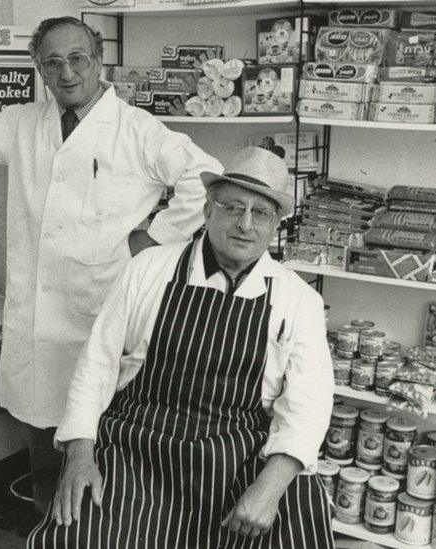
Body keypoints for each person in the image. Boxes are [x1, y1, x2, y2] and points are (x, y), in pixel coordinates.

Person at [0, 17, 221, 513]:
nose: (67, 72)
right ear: (39, 68)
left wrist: (154, 237)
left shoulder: (134, 127)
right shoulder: (26, 122)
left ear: (98, 60)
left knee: (101, 447)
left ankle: (100, 533)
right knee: (44, 445)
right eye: (52, 62)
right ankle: (47, 528)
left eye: (77, 58)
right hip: (39, 319)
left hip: (97, 309)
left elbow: (205, 175)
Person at [28, 146, 335, 548]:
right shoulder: (149, 269)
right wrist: (80, 457)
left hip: (234, 456)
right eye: (232, 208)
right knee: (78, 536)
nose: (245, 224)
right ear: (208, 211)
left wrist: (269, 490)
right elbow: (96, 365)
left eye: (260, 213)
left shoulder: (298, 300)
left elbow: (308, 408)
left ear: (276, 224)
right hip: (137, 447)